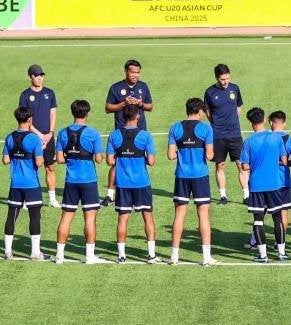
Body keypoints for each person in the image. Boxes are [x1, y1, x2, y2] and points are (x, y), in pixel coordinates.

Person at [106, 103, 162, 264]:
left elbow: (110, 161)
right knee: (148, 218)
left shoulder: (114, 135)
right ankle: (151, 255)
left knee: (122, 219)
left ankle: (121, 256)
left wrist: (123, 157)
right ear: (138, 116)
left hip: (122, 184)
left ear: (123, 116)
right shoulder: (145, 136)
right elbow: (151, 162)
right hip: (141, 183)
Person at [166, 98, 218, 266]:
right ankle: (206, 257)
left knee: (179, 214)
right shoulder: (206, 128)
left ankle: (174, 256)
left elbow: (170, 155)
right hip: (200, 176)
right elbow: (210, 155)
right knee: (203, 215)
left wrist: (182, 151)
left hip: (182, 175)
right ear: (200, 111)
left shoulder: (175, 127)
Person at [53, 100, 106, 265]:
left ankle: (59, 256)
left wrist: (72, 156)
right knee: (90, 219)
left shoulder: (62, 133)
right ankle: (89, 256)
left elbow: (59, 159)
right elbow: (99, 159)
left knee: (66, 217)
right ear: (87, 114)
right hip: (89, 180)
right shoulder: (93, 133)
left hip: (71, 180)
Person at [102, 59, 154, 207]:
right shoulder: (116, 88)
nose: (135, 75)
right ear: (126, 72)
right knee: (117, 161)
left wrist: (140, 104)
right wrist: (123, 103)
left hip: (139, 131)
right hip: (121, 131)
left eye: (137, 72)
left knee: (139, 160)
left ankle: (138, 190)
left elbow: (150, 106)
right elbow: (108, 108)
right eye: (132, 72)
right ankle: (110, 194)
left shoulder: (143, 86)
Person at [240, 107, 290, 263]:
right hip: (274, 184)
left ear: (251, 123)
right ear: (264, 120)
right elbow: (284, 161)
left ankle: (263, 255)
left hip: (256, 186)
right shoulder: (276, 138)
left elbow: (244, 166)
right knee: (277, 218)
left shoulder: (248, 142)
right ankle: (281, 253)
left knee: (258, 220)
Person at [2, 106, 46, 260]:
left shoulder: (9, 137)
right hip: (31, 184)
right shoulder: (34, 139)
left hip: (15, 183)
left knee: (11, 216)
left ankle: (8, 251)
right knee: (34, 217)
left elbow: (6, 160)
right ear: (30, 120)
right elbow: (39, 163)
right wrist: (41, 150)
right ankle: (35, 252)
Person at [203, 64, 248, 205]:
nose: (225, 82)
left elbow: (239, 106)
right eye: (222, 79)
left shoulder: (235, 88)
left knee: (241, 165)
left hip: (235, 134)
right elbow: (208, 112)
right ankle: (223, 196)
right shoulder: (210, 92)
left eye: (227, 78)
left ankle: (246, 195)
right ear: (217, 78)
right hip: (218, 135)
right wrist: (217, 123)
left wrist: (233, 120)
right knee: (220, 165)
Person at [19, 64, 60, 208]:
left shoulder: (50, 93)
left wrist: (50, 133)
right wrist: (39, 134)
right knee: (30, 168)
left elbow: (53, 114)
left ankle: (52, 199)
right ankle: (26, 200)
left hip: (49, 137)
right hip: (32, 137)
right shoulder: (25, 95)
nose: (40, 78)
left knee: (50, 167)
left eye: (41, 75)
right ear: (30, 77)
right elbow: (25, 119)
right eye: (36, 76)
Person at [269, 110, 291, 239]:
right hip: (285, 182)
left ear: (271, 123)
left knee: (261, 212)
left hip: (268, 182)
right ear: (284, 123)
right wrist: (284, 163)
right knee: (284, 212)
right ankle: (280, 243)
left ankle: (255, 242)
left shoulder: (266, 138)